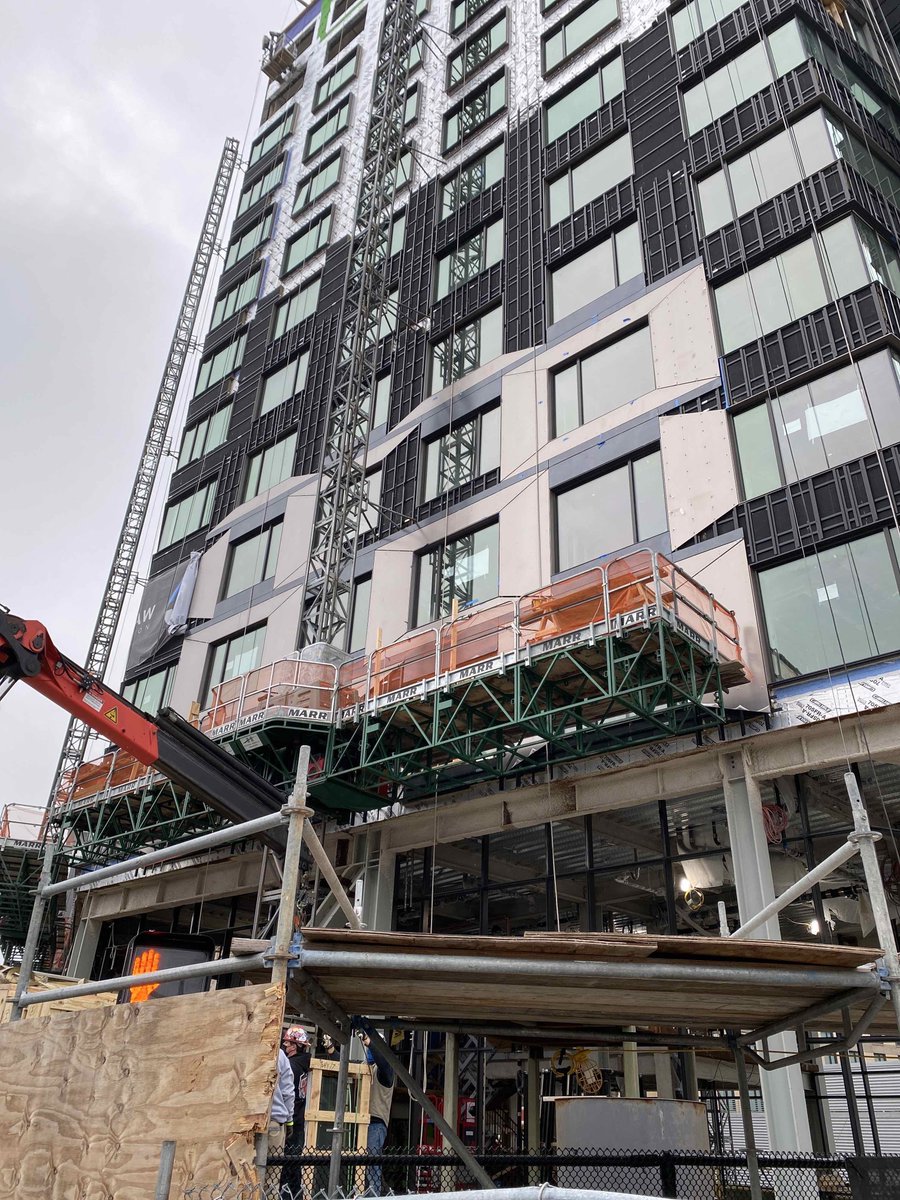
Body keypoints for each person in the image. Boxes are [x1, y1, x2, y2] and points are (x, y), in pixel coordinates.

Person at [362, 1033, 395, 1197]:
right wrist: (331, 1050)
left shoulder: (385, 1070)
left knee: (372, 1164)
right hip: (361, 1123)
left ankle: (373, 1195)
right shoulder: (364, 1068)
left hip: (375, 1123)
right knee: (363, 1164)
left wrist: (371, 1044)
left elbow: (382, 1062)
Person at [263, 1047, 294, 1198]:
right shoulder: (279, 1054)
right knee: (271, 1179)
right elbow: (288, 1090)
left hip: (245, 1124)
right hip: (274, 1121)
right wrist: (289, 1121)